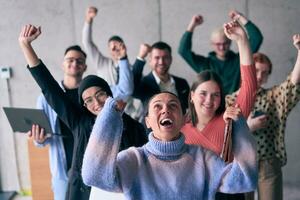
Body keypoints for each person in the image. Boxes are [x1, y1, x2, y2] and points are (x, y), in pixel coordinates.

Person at [19, 24, 147, 200]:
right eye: (88, 100)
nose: (96, 103)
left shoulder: (130, 124)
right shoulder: (80, 122)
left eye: (100, 94)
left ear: (109, 95)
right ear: (84, 106)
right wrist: (26, 45)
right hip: (82, 192)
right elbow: (48, 86)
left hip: (120, 191)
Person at [81, 92, 258, 200]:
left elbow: (244, 181)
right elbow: (94, 176)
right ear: (148, 121)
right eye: (157, 106)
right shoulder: (133, 159)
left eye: (173, 106)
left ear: (183, 119)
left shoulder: (203, 158)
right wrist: (109, 117)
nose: (165, 110)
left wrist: (240, 128)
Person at [181, 20, 257, 200]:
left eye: (215, 95)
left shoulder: (230, 118)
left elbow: (249, 87)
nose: (209, 100)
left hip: (226, 195)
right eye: (203, 93)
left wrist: (243, 41)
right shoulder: (180, 126)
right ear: (191, 95)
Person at [226, 34, 300, 200]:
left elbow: (291, 86)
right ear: (246, 69)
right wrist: (248, 127)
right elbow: (221, 135)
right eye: (256, 70)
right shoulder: (230, 100)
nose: (259, 76)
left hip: (267, 161)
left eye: (264, 73)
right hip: (240, 162)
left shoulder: (272, 97)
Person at [28, 45, 87, 200]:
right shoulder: (46, 98)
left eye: (79, 61)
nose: (74, 63)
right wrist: (39, 139)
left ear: (85, 66)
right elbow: (39, 142)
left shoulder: (89, 96)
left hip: (89, 167)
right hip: (62, 170)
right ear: (63, 64)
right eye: (70, 60)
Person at [178, 10, 263, 95]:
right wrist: (192, 25)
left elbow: (256, 38)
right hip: (212, 106)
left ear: (230, 42)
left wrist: (240, 17)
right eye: (218, 44)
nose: (222, 47)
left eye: (225, 43)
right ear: (212, 44)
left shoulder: (240, 59)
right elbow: (183, 51)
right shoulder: (205, 64)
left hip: (236, 104)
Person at [82, 6, 144, 121]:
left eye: (118, 46)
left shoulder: (131, 69)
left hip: (128, 116)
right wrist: (88, 20)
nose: (116, 50)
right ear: (108, 50)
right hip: (103, 113)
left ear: (124, 47)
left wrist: (137, 115)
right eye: (112, 47)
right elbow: (87, 43)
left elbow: (138, 94)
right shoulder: (102, 63)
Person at [133, 41, 190, 113]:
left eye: (165, 57)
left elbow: (188, 109)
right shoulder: (144, 83)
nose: (161, 62)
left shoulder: (182, 83)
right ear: (150, 60)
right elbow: (132, 89)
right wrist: (141, 57)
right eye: (157, 58)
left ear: (171, 59)